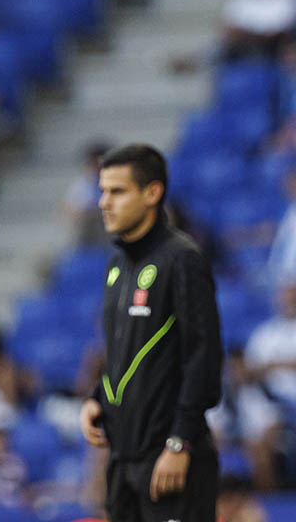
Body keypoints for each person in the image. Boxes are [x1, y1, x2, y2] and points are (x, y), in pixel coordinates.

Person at [78, 144, 223, 522]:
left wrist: (179, 443)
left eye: (117, 191)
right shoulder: (116, 265)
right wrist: (98, 398)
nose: (103, 202)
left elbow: (204, 359)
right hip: (123, 462)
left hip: (170, 460)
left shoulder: (182, 259)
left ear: (152, 193)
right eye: (102, 190)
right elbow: (123, 351)